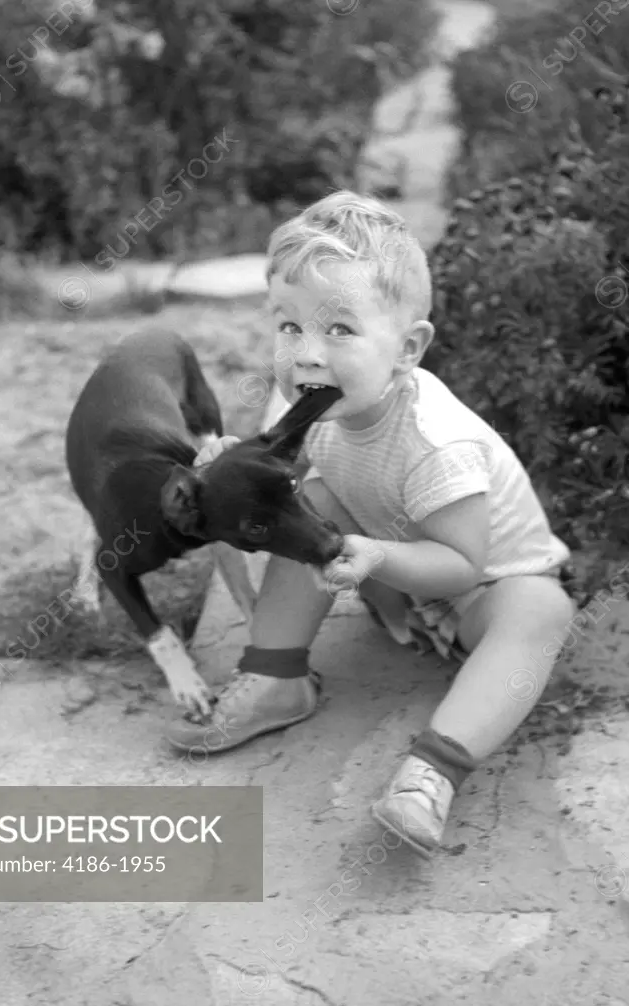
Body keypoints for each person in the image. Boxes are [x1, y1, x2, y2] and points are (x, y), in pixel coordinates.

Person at [166, 190, 575, 858]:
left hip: (478, 589)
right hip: (392, 563)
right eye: (289, 325)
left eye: (339, 330)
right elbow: (278, 475)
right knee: (300, 504)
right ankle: (276, 678)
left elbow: (462, 564)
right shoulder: (306, 397)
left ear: (407, 348)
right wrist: (223, 468)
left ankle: (432, 773)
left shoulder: (436, 443)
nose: (305, 354)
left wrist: (378, 565)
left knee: (540, 610)